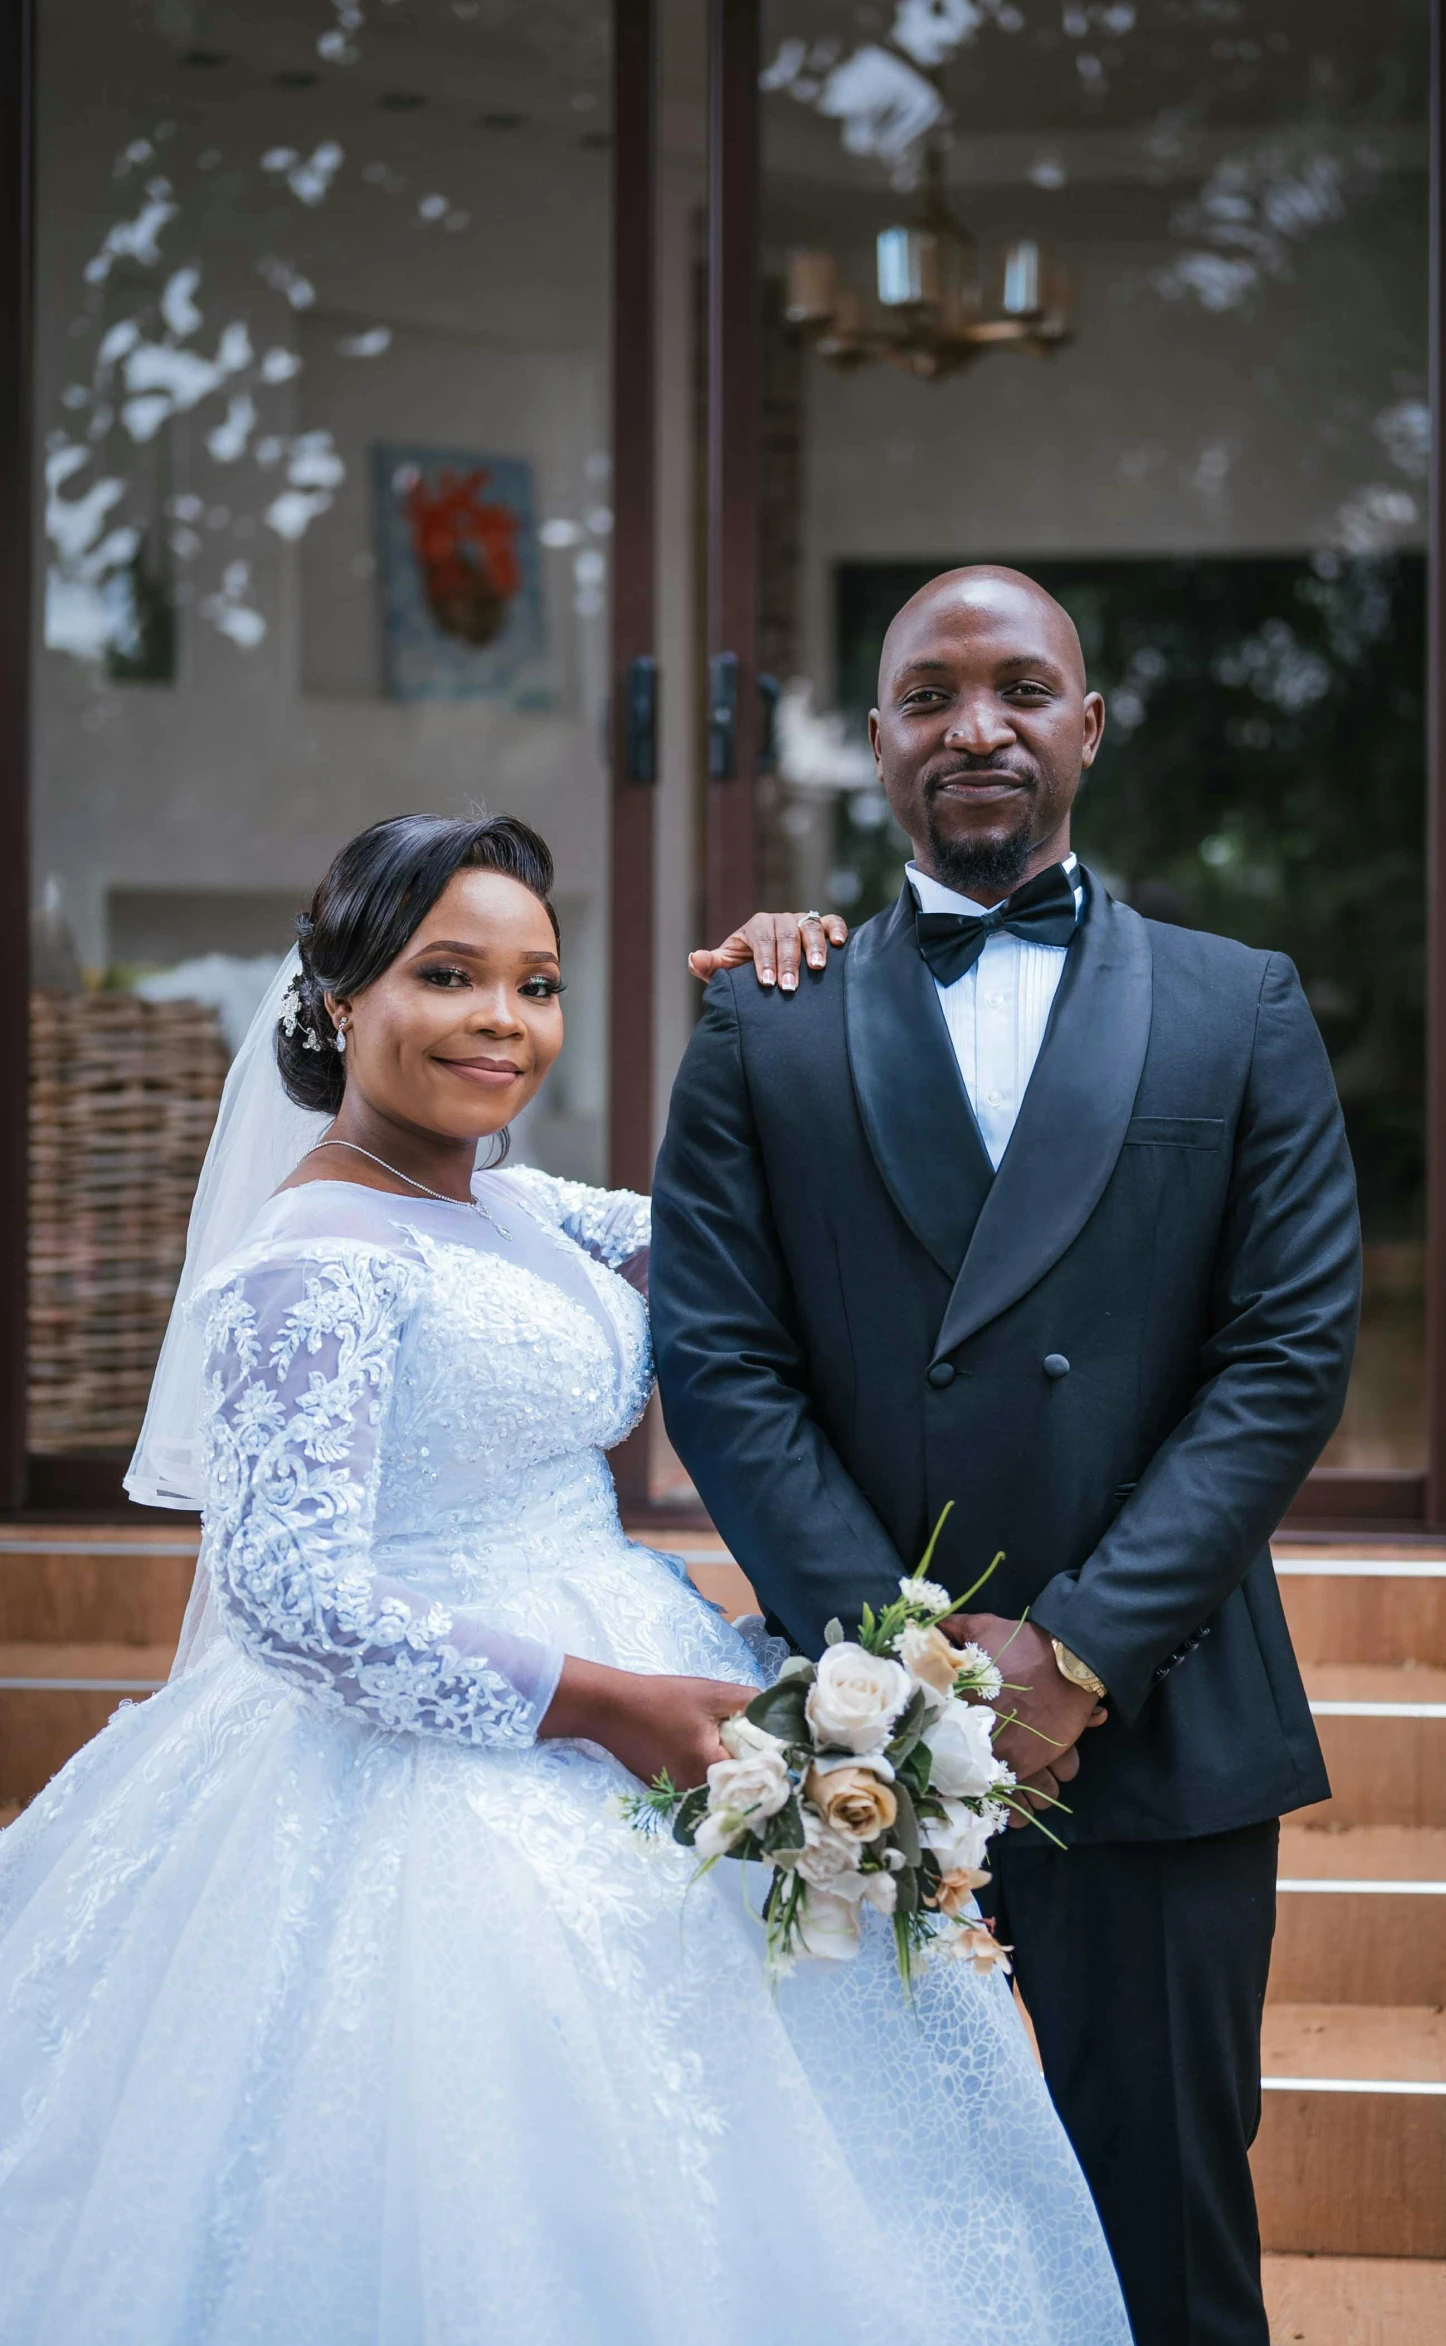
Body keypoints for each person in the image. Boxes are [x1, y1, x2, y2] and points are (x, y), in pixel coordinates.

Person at [0, 811, 1130, 2346]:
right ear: (341, 1001)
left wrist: (809, 994)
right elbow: (291, 1600)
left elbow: (772, 1240)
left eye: (534, 985)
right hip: (442, 1768)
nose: (501, 1022)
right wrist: (606, 1706)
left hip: (638, 1654)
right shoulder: (307, 1261)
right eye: (447, 974)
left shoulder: (529, 1211)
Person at [651, 567, 1363, 2346]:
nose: (976, 723)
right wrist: (900, 1670)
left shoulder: (1239, 1004)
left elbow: (1284, 1355)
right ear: (876, 740)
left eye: (1021, 686)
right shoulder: (762, 1018)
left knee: (1168, 2212)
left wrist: (1080, 1648)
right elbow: (720, 1359)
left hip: (1160, 1711)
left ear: (1086, 724)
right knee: (878, 2226)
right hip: (858, 1735)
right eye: (927, 693)